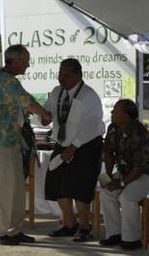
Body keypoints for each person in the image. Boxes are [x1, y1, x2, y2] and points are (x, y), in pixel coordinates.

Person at [0, 44, 51, 245]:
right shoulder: (6, 81)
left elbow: (23, 104)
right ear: (15, 60)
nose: (28, 65)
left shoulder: (8, 80)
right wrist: (46, 115)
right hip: (1, 142)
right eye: (26, 61)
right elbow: (27, 101)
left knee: (16, 189)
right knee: (5, 188)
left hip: (11, 141)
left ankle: (13, 229)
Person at [42, 58, 105, 242]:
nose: (62, 78)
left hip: (85, 146)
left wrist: (74, 146)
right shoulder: (56, 92)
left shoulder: (88, 95)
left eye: (67, 75)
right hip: (62, 143)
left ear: (78, 75)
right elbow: (48, 113)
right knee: (58, 185)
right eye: (60, 74)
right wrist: (44, 117)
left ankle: (85, 227)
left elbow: (92, 124)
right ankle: (69, 224)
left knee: (79, 188)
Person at [98, 99, 149, 250]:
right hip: (126, 171)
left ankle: (132, 239)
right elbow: (108, 152)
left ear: (126, 116)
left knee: (127, 197)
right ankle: (114, 234)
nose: (112, 113)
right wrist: (108, 177)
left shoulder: (140, 133)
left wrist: (120, 183)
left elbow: (140, 167)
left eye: (116, 111)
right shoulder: (114, 128)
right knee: (106, 193)